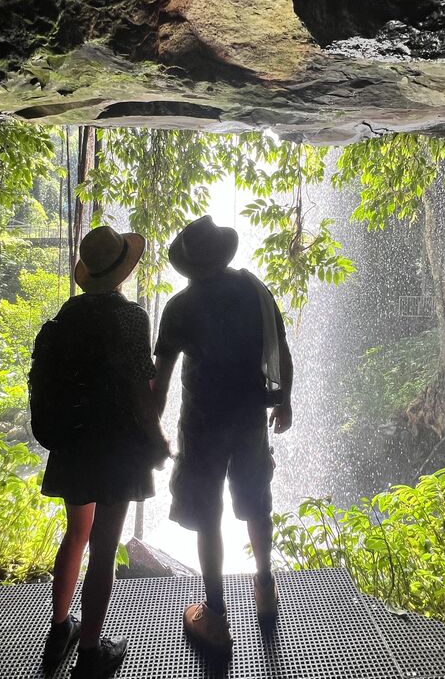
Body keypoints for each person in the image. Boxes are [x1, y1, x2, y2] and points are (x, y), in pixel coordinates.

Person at [152, 216, 294, 654]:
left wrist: (152, 428)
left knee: (207, 512)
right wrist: (284, 401)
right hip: (249, 417)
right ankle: (265, 589)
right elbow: (281, 349)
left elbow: (161, 379)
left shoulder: (180, 307)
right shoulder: (254, 291)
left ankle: (214, 614)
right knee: (256, 502)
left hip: (202, 426)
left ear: (190, 265)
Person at [32, 225, 169, 679]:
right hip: (117, 447)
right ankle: (90, 654)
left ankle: (59, 630)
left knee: (75, 534)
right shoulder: (131, 318)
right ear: (121, 272)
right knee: (104, 547)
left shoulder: (68, 313)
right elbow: (140, 390)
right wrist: (157, 439)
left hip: (73, 442)